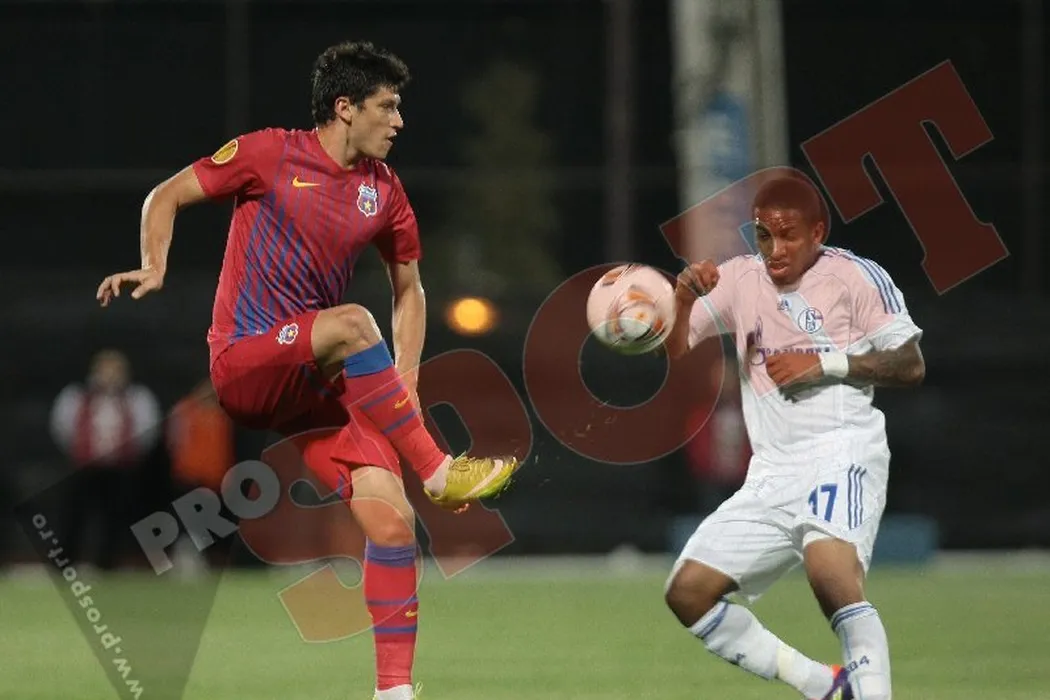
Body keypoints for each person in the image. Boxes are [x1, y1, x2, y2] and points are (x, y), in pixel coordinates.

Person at [96, 40, 518, 700]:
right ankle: (438, 470)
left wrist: (406, 377)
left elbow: (410, 290)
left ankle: (393, 693)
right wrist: (155, 264)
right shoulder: (268, 153)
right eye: (387, 106)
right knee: (353, 323)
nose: (399, 121)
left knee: (392, 523)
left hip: (307, 382)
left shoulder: (383, 190)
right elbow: (166, 195)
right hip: (244, 362)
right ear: (345, 107)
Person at [664, 175, 925, 700]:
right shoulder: (739, 279)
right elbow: (674, 350)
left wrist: (825, 364)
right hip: (771, 471)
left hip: (841, 450)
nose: (775, 249)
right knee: (688, 593)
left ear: (817, 233)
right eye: (765, 236)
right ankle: (824, 685)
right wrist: (684, 299)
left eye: (789, 236)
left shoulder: (855, 276)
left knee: (830, 577)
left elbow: (910, 364)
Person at [50, 349, 162, 570]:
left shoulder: (137, 398)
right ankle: (64, 562)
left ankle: (106, 563)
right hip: (85, 468)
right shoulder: (76, 397)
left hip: (120, 469)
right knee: (74, 516)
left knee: (114, 517)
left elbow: (148, 430)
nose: (110, 375)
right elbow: (62, 427)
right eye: (105, 369)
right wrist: (80, 452)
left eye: (115, 370)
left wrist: (128, 454)